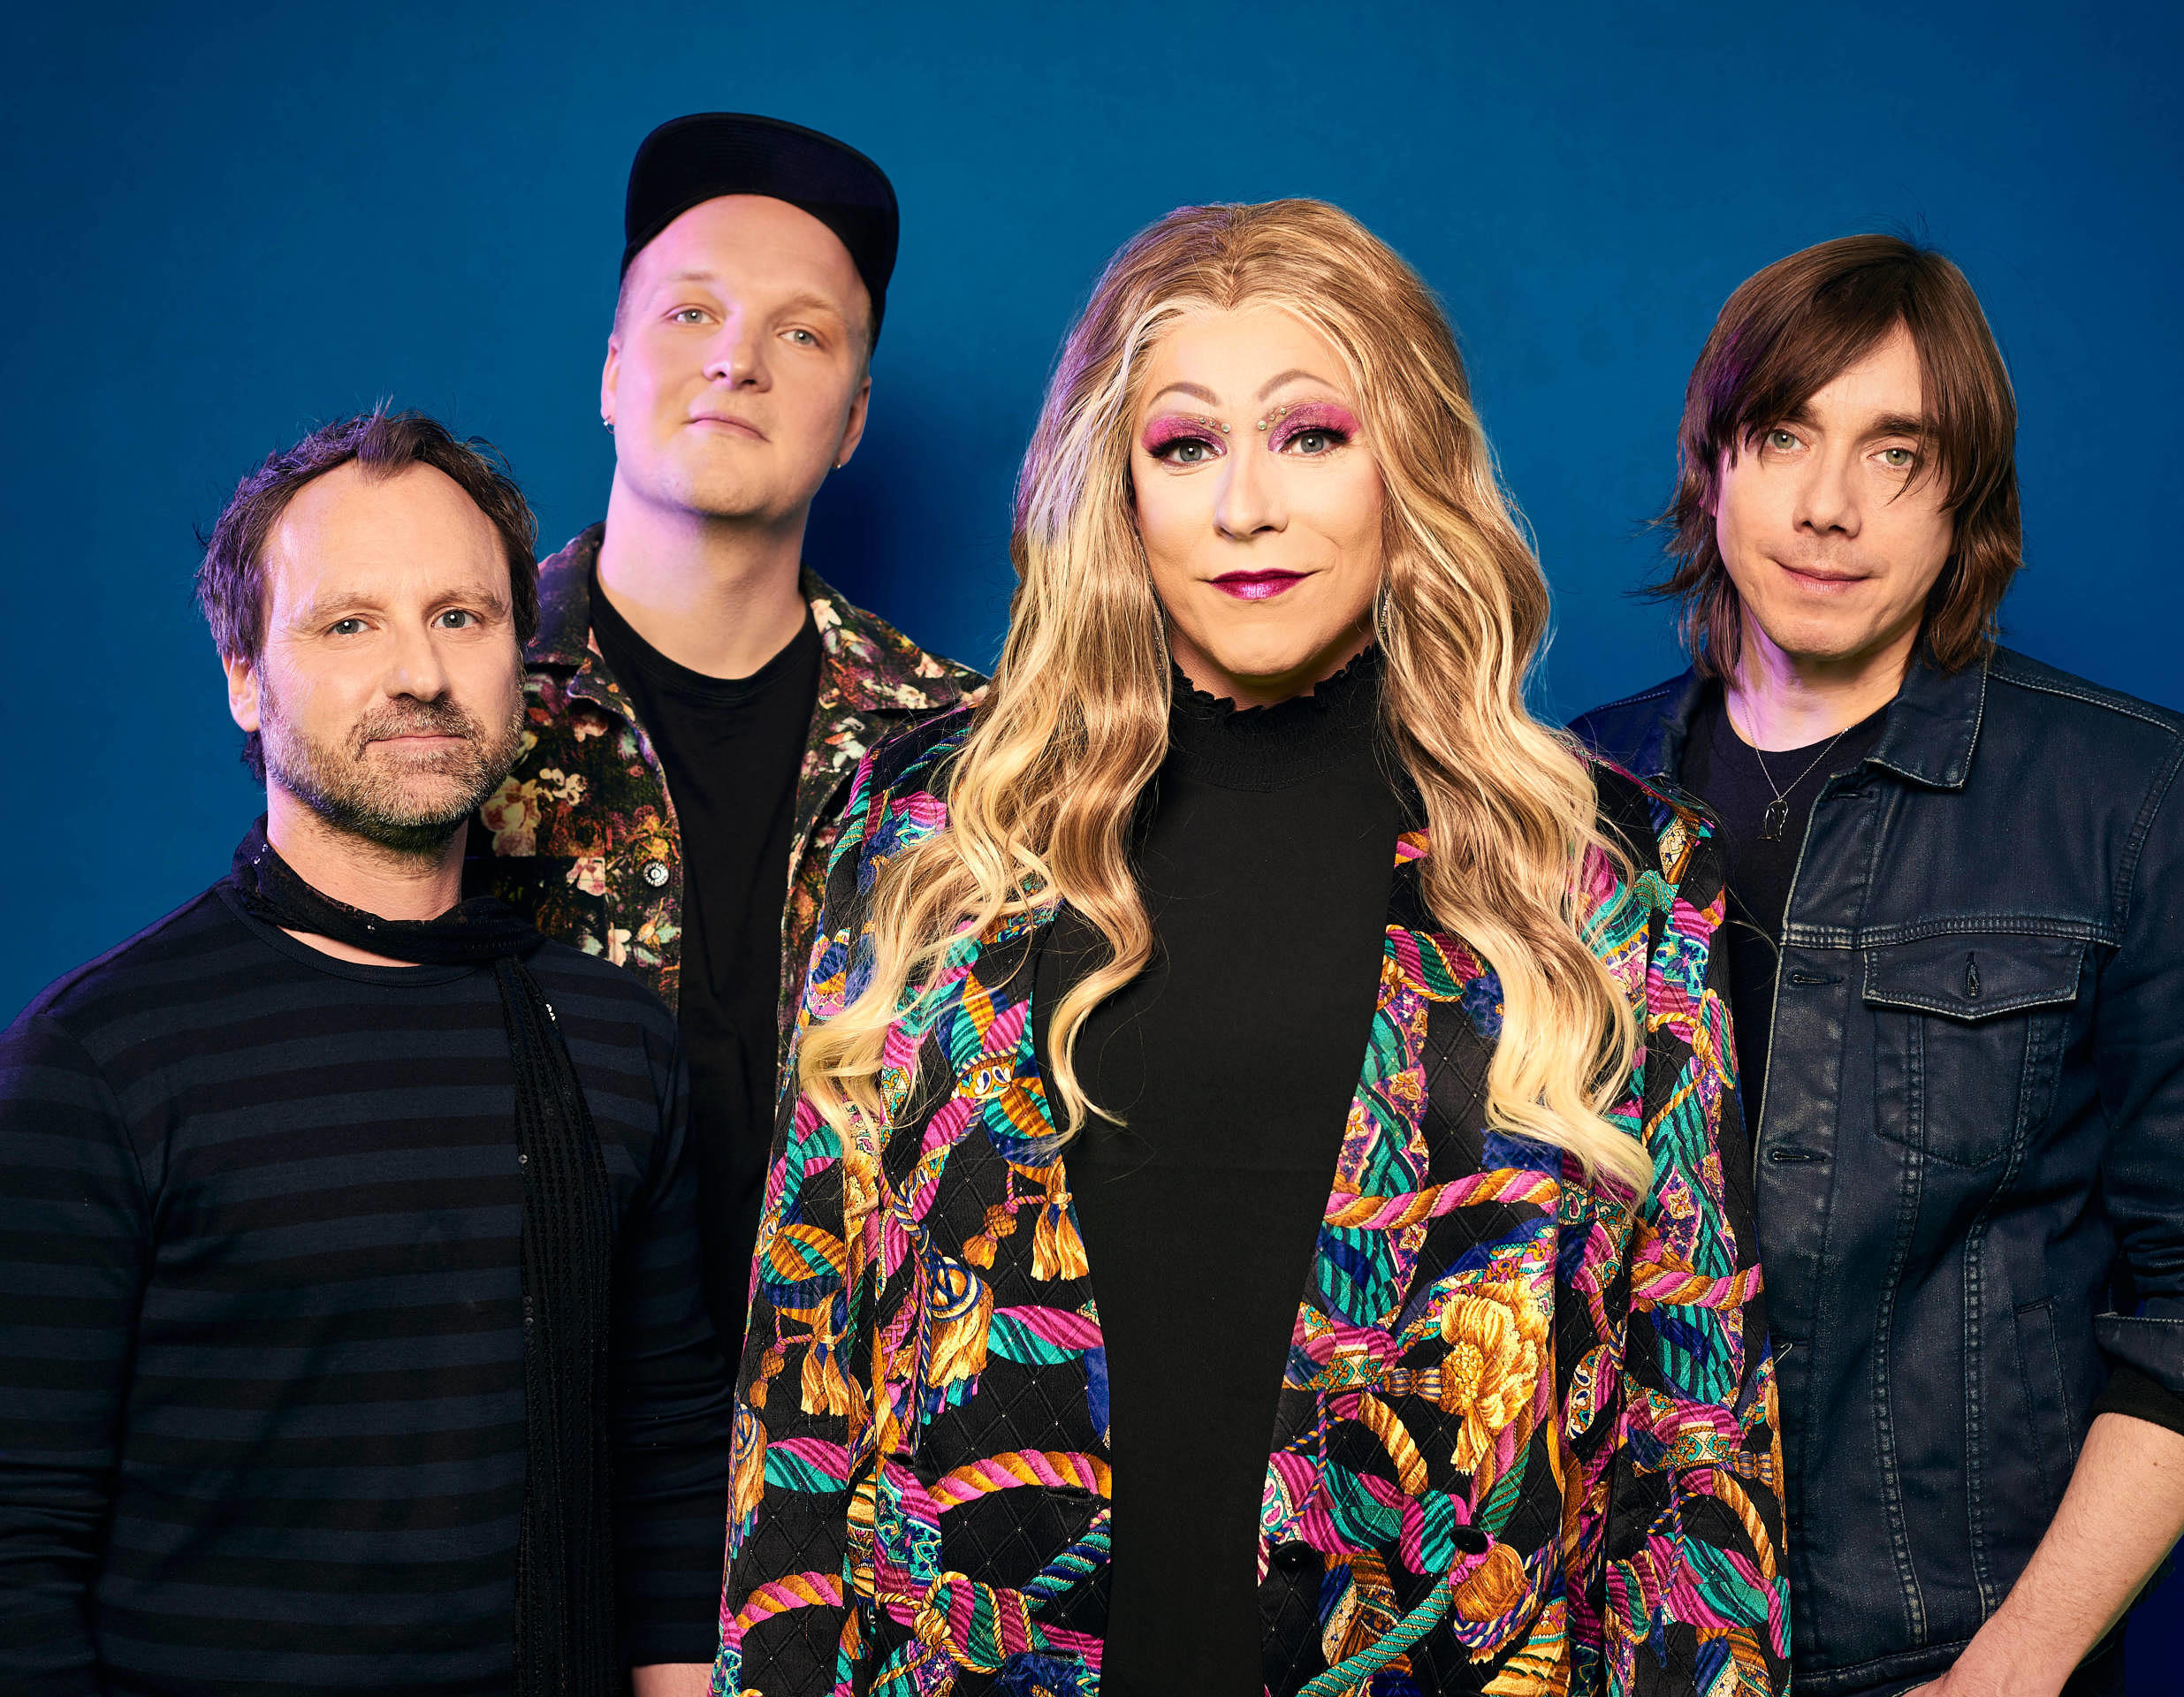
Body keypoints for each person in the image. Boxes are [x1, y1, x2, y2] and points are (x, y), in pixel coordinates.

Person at [717, 201, 1789, 1696]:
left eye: (1309, 436)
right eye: (1184, 446)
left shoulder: (1611, 871)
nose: (1245, 509)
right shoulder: (922, 830)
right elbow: (800, 1381)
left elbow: (1698, 1440)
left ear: (1407, 461)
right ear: (1116, 484)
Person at [1570, 236, 2184, 1697]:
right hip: (1605, 1639)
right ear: (1715, 466)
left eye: (1898, 454)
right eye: (1785, 436)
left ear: (1967, 499)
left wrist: (2021, 1663)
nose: (1829, 506)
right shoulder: (1568, 797)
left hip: (1947, 1649)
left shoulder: (2132, 798)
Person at [0, 409, 727, 1696]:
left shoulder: (617, 1044)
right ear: (244, 675)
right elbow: (17, 1546)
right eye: (350, 624)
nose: (421, 673)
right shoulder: (96, 1064)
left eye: (462, 616)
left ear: (522, 658)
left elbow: (670, 1472)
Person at [470, 112, 984, 1354]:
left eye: (799, 333)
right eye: (691, 312)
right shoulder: (455, 696)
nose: (735, 361)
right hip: (510, 1424)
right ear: (610, 371)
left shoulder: (971, 752)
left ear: (852, 420)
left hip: (848, 1438)